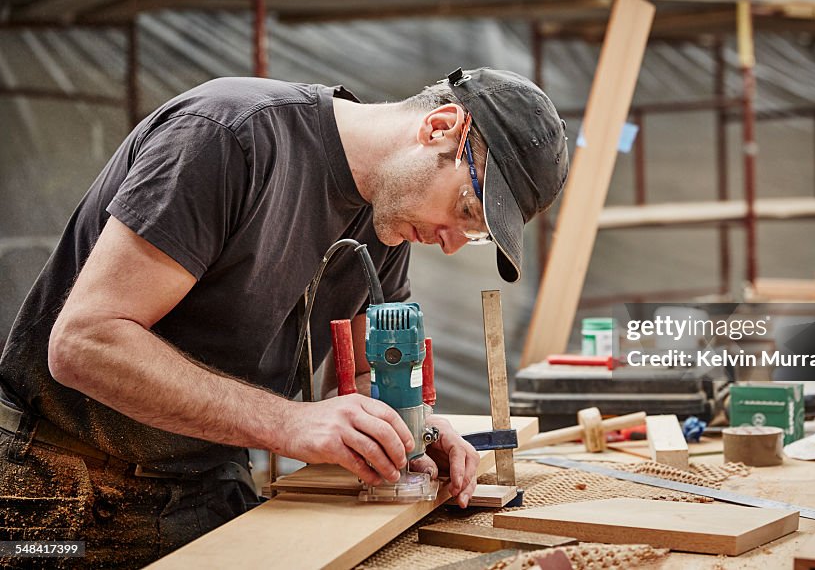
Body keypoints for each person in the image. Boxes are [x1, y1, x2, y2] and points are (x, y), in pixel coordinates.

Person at [0, 67, 569, 566]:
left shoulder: (388, 222)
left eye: (471, 236)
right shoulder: (228, 136)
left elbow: (373, 376)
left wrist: (414, 430)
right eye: (465, 210)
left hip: (202, 486)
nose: (449, 243)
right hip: (57, 487)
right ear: (441, 127)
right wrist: (290, 424)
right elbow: (84, 344)